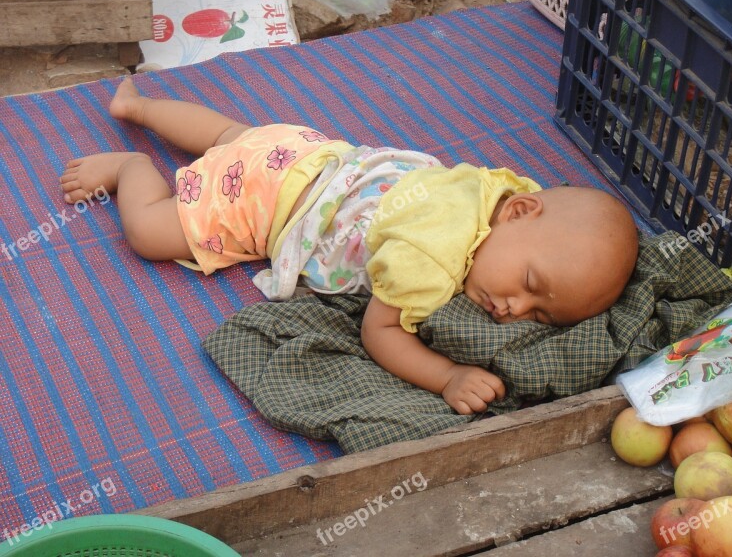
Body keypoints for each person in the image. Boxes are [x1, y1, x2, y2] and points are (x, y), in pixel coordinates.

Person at [60, 78, 640, 415]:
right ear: (517, 213)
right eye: (530, 287)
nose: (514, 309)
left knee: (228, 136)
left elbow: (567, 221)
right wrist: (445, 377)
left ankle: (137, 106)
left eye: (538, 313)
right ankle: (132, 166)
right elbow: (378, 332)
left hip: (309, 153)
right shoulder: (429, 261)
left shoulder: (499, 189)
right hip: (263, 205)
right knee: (149, 234)